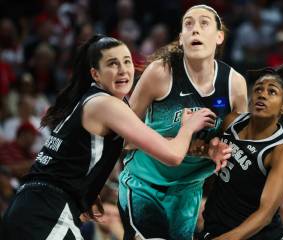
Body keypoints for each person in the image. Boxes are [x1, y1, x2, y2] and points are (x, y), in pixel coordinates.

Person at [1, 34, 230, 240]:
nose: (123, 69)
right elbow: (171, 156)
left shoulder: (96, 102)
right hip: (45, 212)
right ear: (95, 74)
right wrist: (188, 127)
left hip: (33, 207)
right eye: (113, 63)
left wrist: (206, 150)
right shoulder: (105, 104)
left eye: (127, 61)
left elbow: (144, 145)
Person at [118, 4, 248, 240]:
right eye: (188, 24)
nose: (195, 29)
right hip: (143, 184)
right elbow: (124, 139)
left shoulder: (234, 85)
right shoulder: (160, 73)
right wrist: (186, 136)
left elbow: (236, 146)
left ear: (219, 37)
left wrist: (218, 148)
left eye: (203, 23)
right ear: (181, 39)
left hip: (188, 192)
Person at [200, 63, 283, 240]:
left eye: (272, 92)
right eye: (258, 89)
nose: (262, 94)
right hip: (217, 227)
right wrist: (207, 149)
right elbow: (201, 150)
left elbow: (265, 215)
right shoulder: (231, 121)